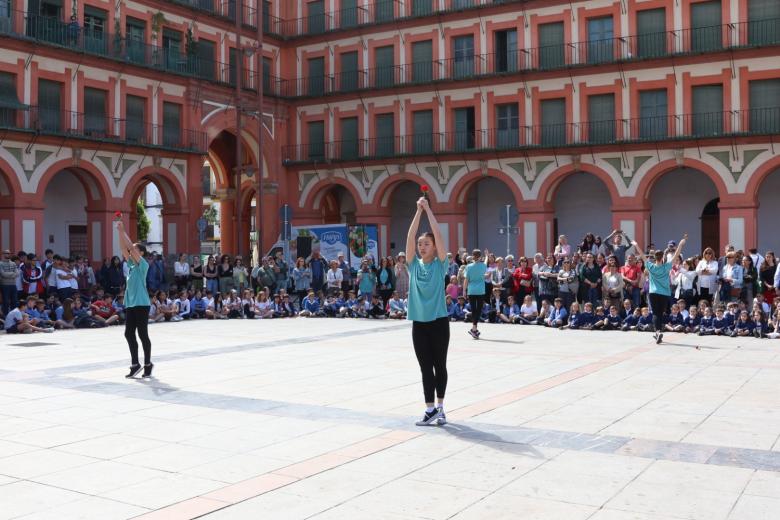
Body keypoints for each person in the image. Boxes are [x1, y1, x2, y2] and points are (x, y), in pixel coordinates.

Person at [406, 196, 449, 427]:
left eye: (426, 244)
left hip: (439, 322)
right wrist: (418, 211)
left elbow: (439, 235)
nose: (422, 247)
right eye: (420, 244)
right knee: (425, 367)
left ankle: (441, 408)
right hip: (419, 324)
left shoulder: (441, 264)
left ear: (434, 247)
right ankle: (429, 409)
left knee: (439, 365)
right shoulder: (413, 265)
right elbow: (409, 237)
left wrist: (429, 210)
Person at [116, 219, 153, 378]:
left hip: (142, 303)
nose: (132, 252)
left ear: (141, 253)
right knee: (128, 333)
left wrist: (124, 230)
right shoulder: (131, 266)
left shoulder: (143, 265)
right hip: (131, 303)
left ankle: (147, 363)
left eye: (136, 250)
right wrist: (119, 232)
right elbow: (124, 248)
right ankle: (135, 363)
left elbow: (130, 247)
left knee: (142, 334)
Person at [634, 234, 687, 344]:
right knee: (661, 313)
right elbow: (676, 255)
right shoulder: (667, 266)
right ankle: (658, 332)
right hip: (664, 294)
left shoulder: (651, 266)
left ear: (655, 258)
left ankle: (657, 332)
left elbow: (642, 256)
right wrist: (681, 244)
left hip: (653, 293)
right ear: (662, 257)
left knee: (655, 313)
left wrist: (636, 245)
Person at [464, 249, 487, 340]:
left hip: (471, 290)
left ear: (472, 256)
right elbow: (485, 261)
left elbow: (466, 280)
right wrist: (486, 255)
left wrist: (464, 291)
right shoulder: (483, 266)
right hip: (480, 290)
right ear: (480, 256)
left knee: (474, 310)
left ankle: (474, 329)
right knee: (478, 310)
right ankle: (474, 328)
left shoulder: (468, 266)